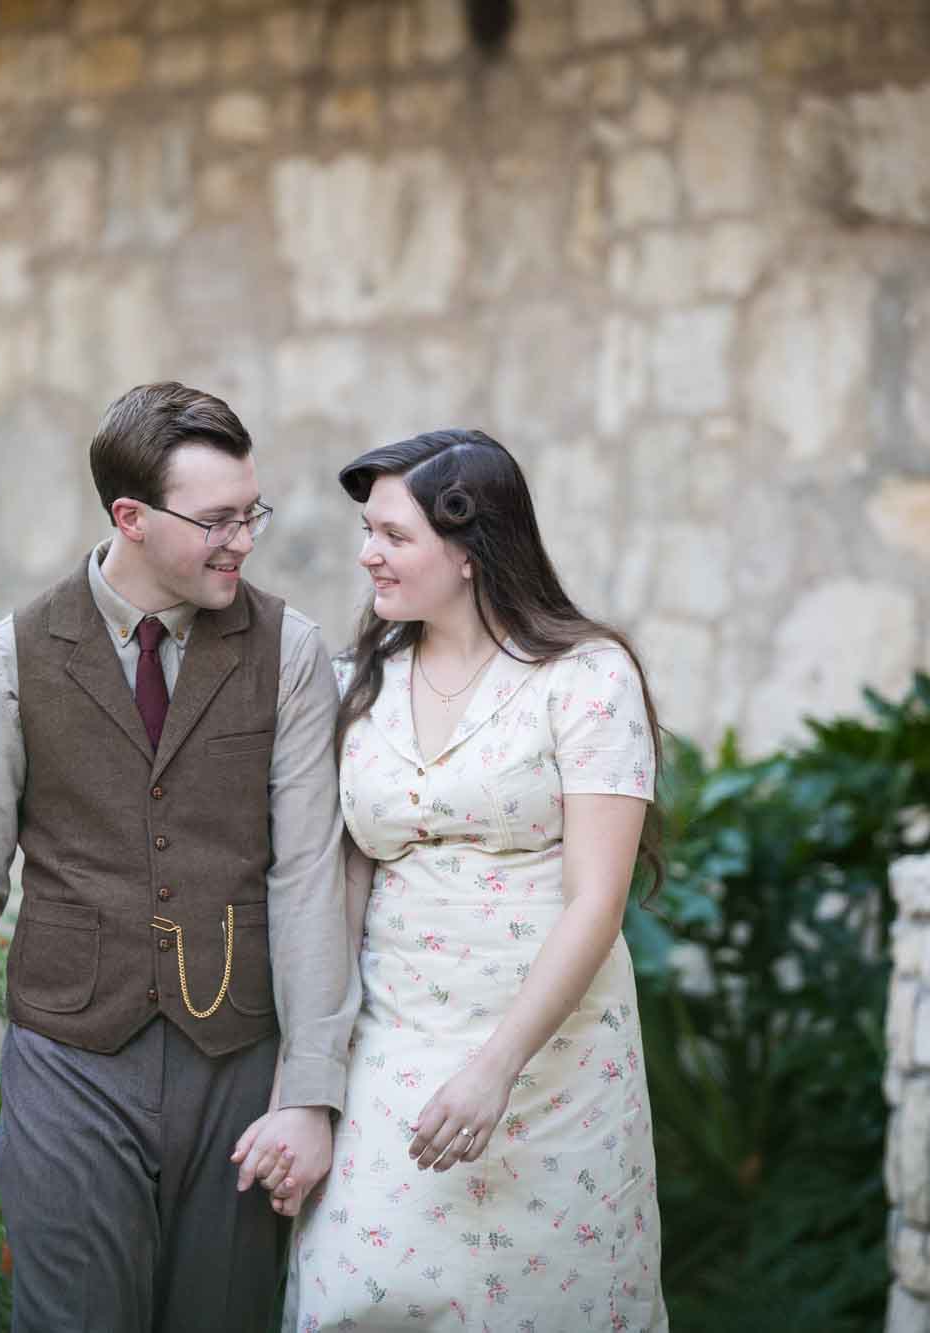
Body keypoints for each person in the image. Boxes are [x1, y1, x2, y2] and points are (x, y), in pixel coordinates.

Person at [0, 382, 358, 1331]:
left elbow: (309, 870)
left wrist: (311, 1090)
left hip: (238, 1064)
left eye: (252, 513)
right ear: (132, 517)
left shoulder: (292, 652)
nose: (242, 539)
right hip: (70, 1057)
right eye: (218, 519)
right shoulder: (11, 659)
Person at [283, 429, 667, 1332]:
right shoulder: (354, 685)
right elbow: (341, 885)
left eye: (393, 535)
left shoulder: (585, 679)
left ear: (469, 549)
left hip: (552, 1062)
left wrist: (496, 1067)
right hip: (390, 1046)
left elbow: (598, 900)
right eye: (367, 531)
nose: (367, 553)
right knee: (358, 1295)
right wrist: (311, 1073)